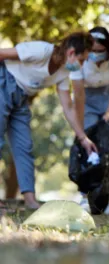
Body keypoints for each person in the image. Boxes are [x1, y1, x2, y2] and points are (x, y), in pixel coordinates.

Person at [0, 32, 97, 209]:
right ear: (71, 53)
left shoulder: (63, 72)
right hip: (4, 82)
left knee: (24, 147)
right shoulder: (41, 50)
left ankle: (30, 200)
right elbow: (2, 54)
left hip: (22, 98)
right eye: (82, 60)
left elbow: (68, 107)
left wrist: (83, 137)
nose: (81, 66)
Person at [71, 27, 109, 214]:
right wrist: (80, 130)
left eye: (100, 51)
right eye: (92, 51)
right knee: (89, 150)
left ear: (108, 49)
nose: (95, 54)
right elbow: (78, 94)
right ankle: (84, 196)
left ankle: (107, 197)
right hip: (86, 100)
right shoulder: (79, 57)